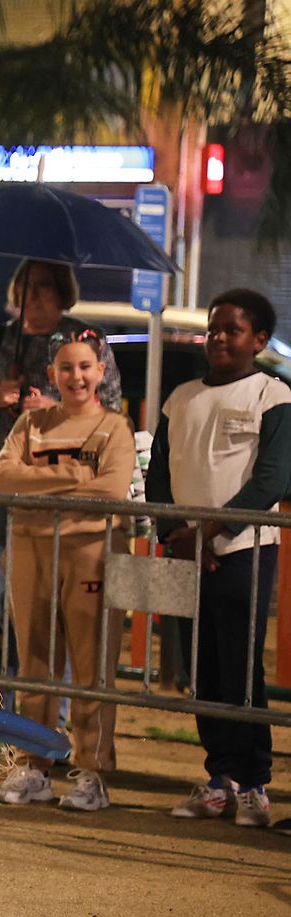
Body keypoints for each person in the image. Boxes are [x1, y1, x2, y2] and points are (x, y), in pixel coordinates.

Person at [149, 288, 291, 830]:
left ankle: (253, 782)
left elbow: (272, 479)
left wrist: (210, 531)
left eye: (233, 330)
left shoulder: (272, 396)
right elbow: (159, 473)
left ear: (258, 339)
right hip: (189, 551)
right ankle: (218, 778)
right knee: (202, 670)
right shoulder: (179, 398)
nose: (219, 339)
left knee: (242, 666)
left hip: (245, 551)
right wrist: (176, 533)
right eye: (213, 329)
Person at [0, 339, 136, 811]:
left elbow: (114, 487)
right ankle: (36, 766)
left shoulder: (114, 426)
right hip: (32, 548)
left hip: (91, 549)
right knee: (35, 661)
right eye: (66, 368)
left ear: (100, 372)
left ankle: (92, 770)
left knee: (92, 661)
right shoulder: (31, 422)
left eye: (85, 367)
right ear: (52, 374)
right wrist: (77, 476)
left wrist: (44, 485)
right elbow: (4, 477)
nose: (76, 377)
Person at [0, 261, 122, 619]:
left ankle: (41, 670)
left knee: (49, 583)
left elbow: (111, 411)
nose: (33, 294)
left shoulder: (85, 341)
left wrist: (59, 407)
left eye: (43, 285)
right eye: (25, 284)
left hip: (57, 484)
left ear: (62, 292)